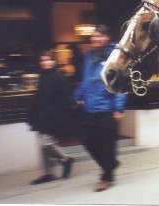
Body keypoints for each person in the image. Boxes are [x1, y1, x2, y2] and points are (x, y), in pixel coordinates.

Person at [73, 24, 127, 192]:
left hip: (107, 108)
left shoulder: (115, 55)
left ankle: (107, 177)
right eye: (94, 36)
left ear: (107, 37)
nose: (96, 39)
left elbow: (120, 82)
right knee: (87, 140)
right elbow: (86, 79)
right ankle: (109, 163)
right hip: (90, 107)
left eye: (100, 36)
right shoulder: (89, 54)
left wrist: (118, 107)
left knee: (106, 145)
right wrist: (78, 95)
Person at [28, 50, 75, 185]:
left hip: (53, 117)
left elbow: (66, 100)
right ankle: (47, 173)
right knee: (42, 146)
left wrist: (60, 116)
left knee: (47, 144)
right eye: (42, 60)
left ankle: (66, 160)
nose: (45, 63)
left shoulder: (60, 77)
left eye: (48, 60)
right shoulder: (42, 77)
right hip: (41, 116)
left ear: (54, 61)